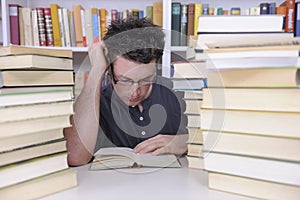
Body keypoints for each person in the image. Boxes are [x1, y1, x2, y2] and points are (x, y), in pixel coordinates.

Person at [64, 18, 188, 166]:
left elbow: (216, 141)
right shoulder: (96, 103)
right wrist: (97, 69)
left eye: (145, 79)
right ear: (109, 70)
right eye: (125, 80)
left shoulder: (178, 94)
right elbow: (75, 157)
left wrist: (184, 143)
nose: (135, 92)